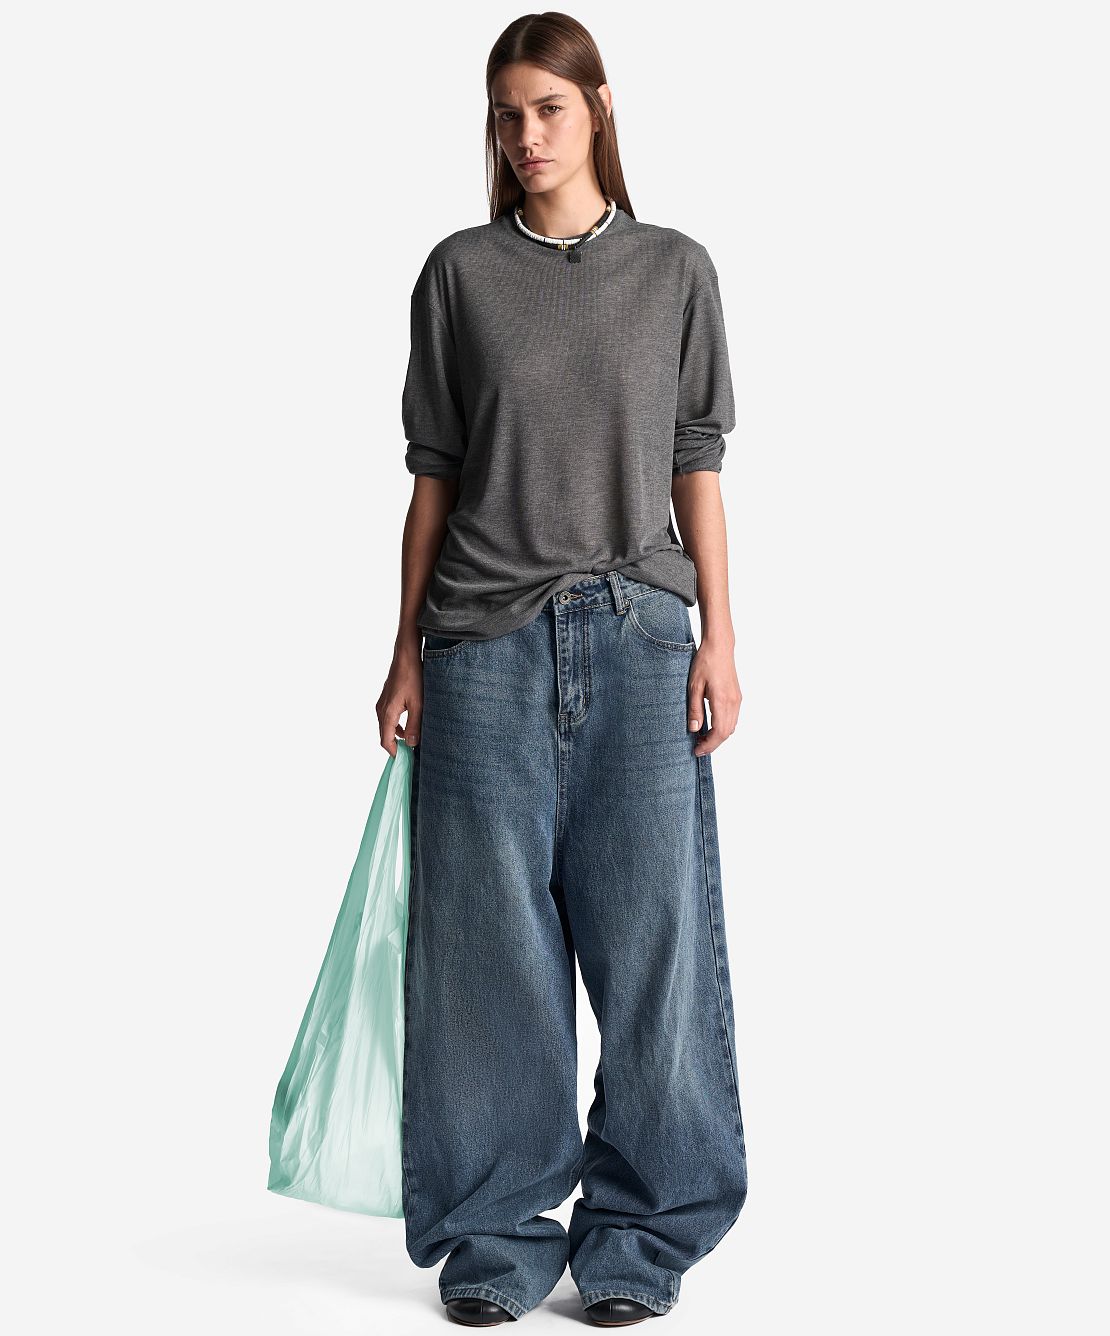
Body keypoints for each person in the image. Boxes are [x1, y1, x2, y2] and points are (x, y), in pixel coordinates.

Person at [376, 13, 748, 1328]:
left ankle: (642, 1234)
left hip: (640, 638)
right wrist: (403, 651)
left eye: (547, 108)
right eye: (505, 113)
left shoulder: (674, 270)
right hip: (480, 646)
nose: (524, 136)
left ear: (597, 109)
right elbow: (434, 476)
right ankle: (494, 1235)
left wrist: (720, 636)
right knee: (488, 959)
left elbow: (695, 461)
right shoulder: (459, 275)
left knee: (653, 949)